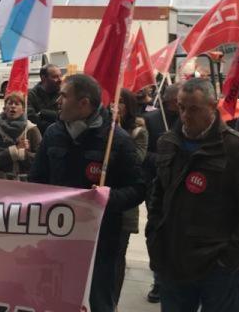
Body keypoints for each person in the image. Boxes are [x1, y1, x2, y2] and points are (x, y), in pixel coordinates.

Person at [146, 78, 239, 312]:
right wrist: (154, 238)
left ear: (213, 106)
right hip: (173, 260)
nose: (186, 115)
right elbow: (158, 196)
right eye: (181, 107)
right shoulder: (168, 142)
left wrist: (230, 258)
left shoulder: (237, 148)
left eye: (194, 109)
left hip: (216, 265)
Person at [29, 73, 146, 312]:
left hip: (100, 243)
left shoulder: (117, 140)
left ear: (83, 103)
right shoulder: (53, 133)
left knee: (98, 302)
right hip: (57, 238)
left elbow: (139, 188)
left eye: (64, 96)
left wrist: (108, 197)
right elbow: (36, 180)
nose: (58, 101)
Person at [143, 81, 181, 303]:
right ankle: (159, 281)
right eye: (179, 102)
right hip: (157, 187)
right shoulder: (151, 120)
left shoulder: (189, 120)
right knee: (158, 233)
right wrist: (164, 160)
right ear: (169, 101)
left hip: (184, 190)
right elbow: (143, 154)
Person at [115, 88, 148, 295]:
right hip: (101, 204)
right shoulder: (101, 129)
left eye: (120, 102)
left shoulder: (138, 132)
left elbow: (136, 160)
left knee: (117, 256)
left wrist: (118, 133)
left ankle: (113, 301)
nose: (115, 106)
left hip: (124, 205)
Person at [0, 91, 42, 180]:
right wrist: (14, 150)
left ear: (23, 109)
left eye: (17, 104)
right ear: (4, 108)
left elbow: (40, 160)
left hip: (25, 182)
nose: (13, 106)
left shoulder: (31, 129)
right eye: (10, 103)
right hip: (1, 181)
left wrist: (25, 154)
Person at [27, 64, 63, 134]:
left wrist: (43, 113)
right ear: (43, 78)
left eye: (60, 76)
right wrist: (56, 125)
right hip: (40, 135)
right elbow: (32, 120)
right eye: (55, 77)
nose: (60, 80)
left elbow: (66, 116)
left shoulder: (63, 93)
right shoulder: (31, 95)